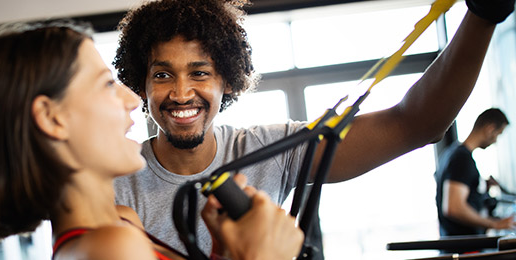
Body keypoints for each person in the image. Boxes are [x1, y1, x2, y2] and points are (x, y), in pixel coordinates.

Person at [112, 0, 515, 254]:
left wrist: (482, 17)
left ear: (226, 81)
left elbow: (415, 124)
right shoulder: (113, 180)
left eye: (199, 73)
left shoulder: (273, 148)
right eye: (162, 76)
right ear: (141, 84)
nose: (182, 93)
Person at [0, 20, 304, 260]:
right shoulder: (113, 246)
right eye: (106, 85)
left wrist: (224, 252)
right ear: (53, 118)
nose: (132, 98)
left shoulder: (122, 223)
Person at [435, 109, 514, 247]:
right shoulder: (462, 159)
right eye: (498, 134)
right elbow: (453, 207)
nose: (495, 141)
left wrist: (481, 184)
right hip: (464, 247)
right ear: (490, 128)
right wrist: (494, 224)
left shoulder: (451, 153)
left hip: (456, 244)